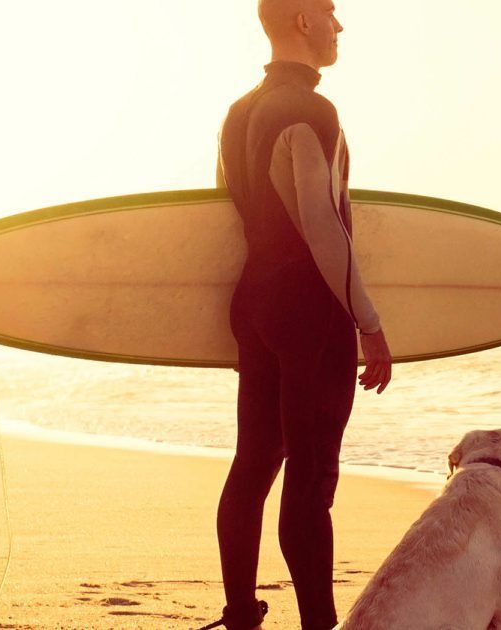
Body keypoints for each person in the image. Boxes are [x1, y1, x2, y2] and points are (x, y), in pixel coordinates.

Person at [206, 1, 391, 628]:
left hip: (255, 303)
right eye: (332, 13)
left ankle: (241, 614)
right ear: (304, 21)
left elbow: (226, 213)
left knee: (254, 463)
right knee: (311, 482)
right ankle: (318, 624)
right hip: (311, 314)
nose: (340, 26)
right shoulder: (313, 112)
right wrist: (368, 320)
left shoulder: (239, 112)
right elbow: (322, 224)